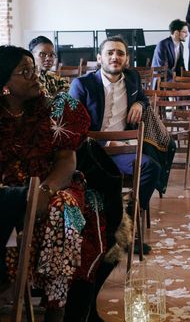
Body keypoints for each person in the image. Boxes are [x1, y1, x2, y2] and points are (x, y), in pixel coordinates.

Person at [0, 45, 99, 321]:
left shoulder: (55, 108)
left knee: (64, 209)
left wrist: (44, 191)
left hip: (52, 184)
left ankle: (56, 307)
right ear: (3, 83)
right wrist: (6, 194)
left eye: (32, 69)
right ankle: (4, 283)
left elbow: (67, 159)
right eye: (24, 72)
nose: (34, 76)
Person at [69, 36, 161, 236]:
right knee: (101, 183)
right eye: (109, 53)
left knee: (151, 167)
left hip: (122, 151)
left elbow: (143, 98)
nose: (115, 57)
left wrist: (139, 104)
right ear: (99, 58)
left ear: (127, 59)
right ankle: (102, 229)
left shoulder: (133, 78)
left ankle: (127, 225)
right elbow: (74, 127)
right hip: (91, 152)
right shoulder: (82, 85)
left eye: (120, 53)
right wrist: (103, 140)